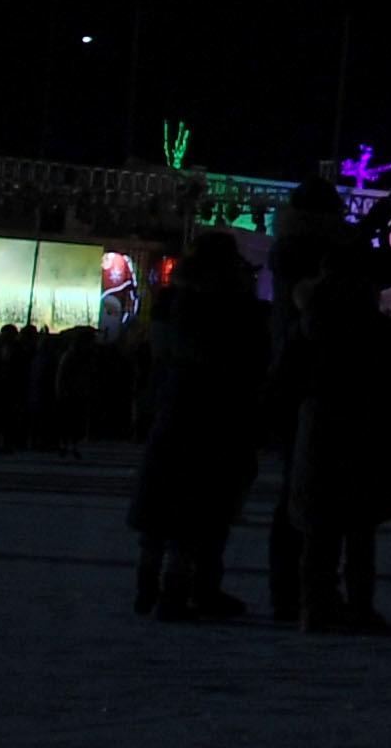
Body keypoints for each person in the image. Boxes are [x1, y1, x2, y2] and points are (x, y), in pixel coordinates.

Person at [131, 229, 268, 618]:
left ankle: (147, 585)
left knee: (160, 505)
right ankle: (183, 591)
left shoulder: (171, 301)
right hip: (218, 411)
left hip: (174, 404)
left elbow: (158, 356)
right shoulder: (235, 305)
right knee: (201, 507)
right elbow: (252, 362)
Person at [268, 263, 391, 631]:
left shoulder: (306, 330)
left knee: (319, 532)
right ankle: (361, 606)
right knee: (361, 531)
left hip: (317, 427)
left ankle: (315, 607)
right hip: (368, 426)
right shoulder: (382, 333)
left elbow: (282, 382)